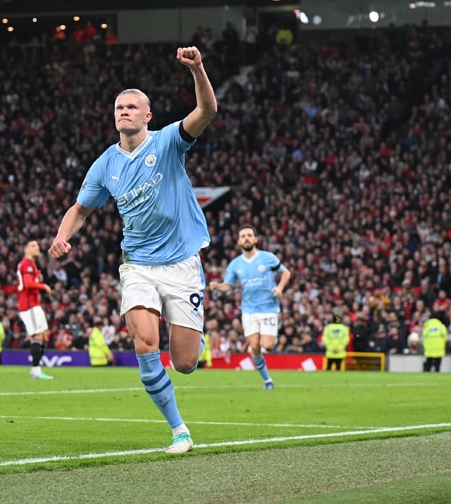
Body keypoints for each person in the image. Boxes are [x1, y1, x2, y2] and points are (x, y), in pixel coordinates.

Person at [49, 46, 217, 455]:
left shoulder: (168, 142)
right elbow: (81, 209)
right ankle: (179, 430)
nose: (124, 112)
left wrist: (197, 69)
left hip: (181, 264)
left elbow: (207, 111)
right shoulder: (105, 164)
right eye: (119, 107)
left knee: (185, 362)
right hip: (138, 265)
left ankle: (191, 336)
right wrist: (62, 235)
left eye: (132, 107)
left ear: (148, 116)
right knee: (144, 342)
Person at [209, 225, 291, 389]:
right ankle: (267, 380)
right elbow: (228, 286)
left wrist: (280, 288)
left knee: (267, 345)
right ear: (239, 242)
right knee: (254, 346)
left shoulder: (267, 258)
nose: (246, 238)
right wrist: (218, 286)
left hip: (268, 308)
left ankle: (263, 359)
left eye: (249, 235)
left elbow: (286, 272)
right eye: (243, 236)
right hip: (248, 310)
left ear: (255, 239)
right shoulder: (235, 264)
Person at [17, 240, 54, 379]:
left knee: (43, 336)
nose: (37, 247)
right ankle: (36, 370)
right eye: (33, 245)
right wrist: (43, 286)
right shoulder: (26, 264)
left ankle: (36, 369)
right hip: (29, 306)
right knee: (38, 336)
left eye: (37, 245)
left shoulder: (32, 265)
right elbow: (27, 284)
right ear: (26, 250)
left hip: (34, 304)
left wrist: (38, 281)